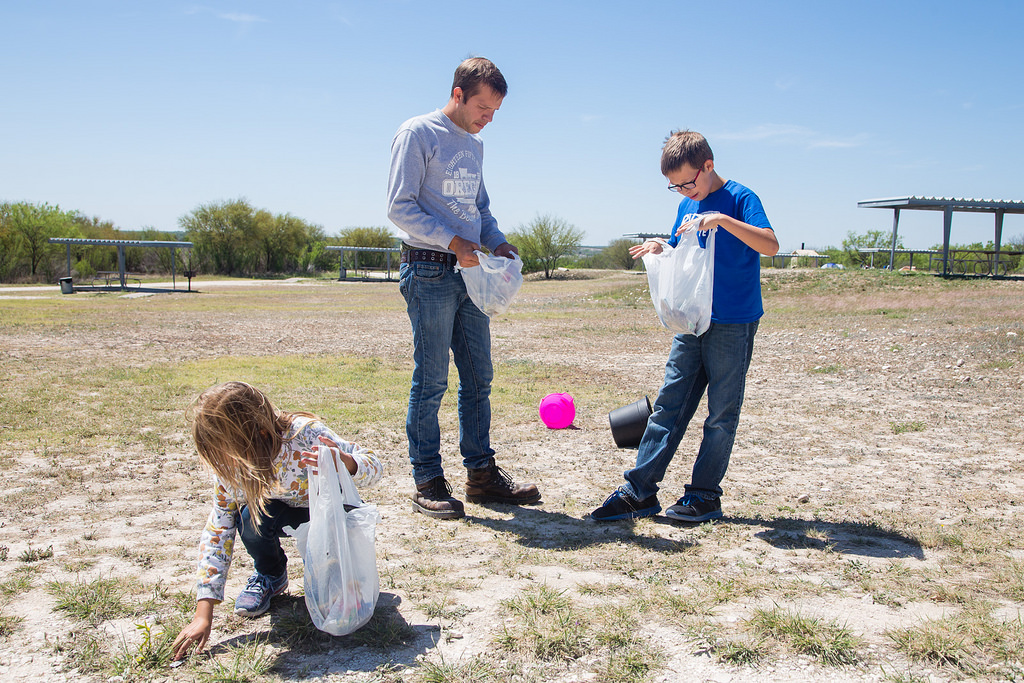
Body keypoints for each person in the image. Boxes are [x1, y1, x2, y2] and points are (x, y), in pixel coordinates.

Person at [591, 130, 779, 524]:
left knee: (720, 414)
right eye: (673, 187)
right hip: (692, 323)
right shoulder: (686, 204)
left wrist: (724, 220)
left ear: (708, 165)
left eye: (687, 183)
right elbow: (687, 254)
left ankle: (704, 496)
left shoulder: (741, 199)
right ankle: (638, 492)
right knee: (668, 406)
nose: (682, 192)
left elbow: (770, 245)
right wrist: (663, 249)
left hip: (733, 322)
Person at [387, 57, 540, 519]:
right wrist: (452, 241)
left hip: (472, 276)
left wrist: (497, 240)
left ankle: (481, 475)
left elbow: (480, 210)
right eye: (482, 107)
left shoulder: (473, 147)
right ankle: (427, 478)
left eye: (494, 111)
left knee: (479, 377)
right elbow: (399, 207)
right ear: (457, 94)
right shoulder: (417, 133)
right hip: (430, 270)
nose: (488, 118)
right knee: (431, 379)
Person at [171, 381, 383, 661]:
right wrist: (203, 611)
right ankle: (271, 574)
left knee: (333, 599)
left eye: (230, 453)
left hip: (327, 517)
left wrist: (343, 461)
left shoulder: (305, 434)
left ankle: (334, 572)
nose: (225, 464)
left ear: (259, 432)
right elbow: (218, 530)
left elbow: (374, 466)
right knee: (248, 518)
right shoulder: (229, 469)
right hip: (278, 516)